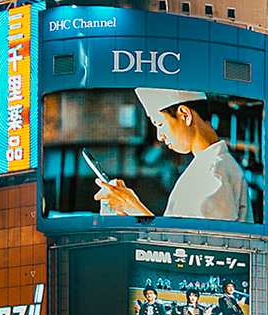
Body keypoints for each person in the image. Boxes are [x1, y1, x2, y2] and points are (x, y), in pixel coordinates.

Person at [92, 88, 251, 222]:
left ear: (185, 115)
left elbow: (199, 246)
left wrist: (132, 205)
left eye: (160, 124)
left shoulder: (214, 175)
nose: (159, 136)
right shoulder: (207, 166)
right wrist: (130, 210)